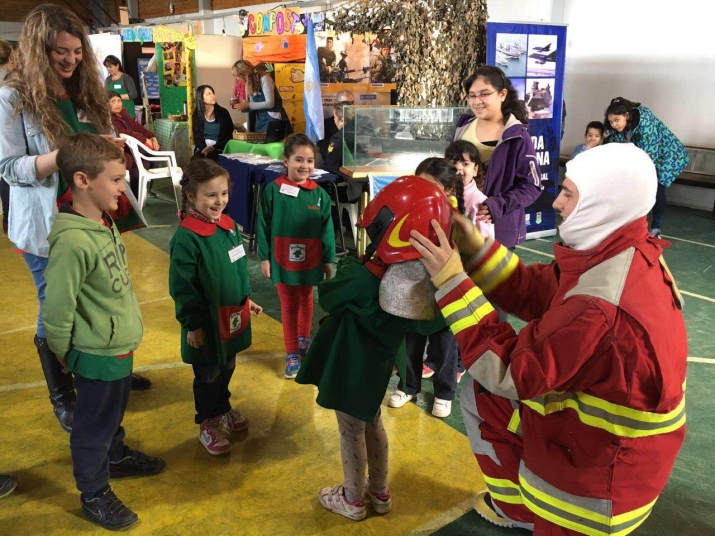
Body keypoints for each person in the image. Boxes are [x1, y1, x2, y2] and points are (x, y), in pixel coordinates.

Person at [410, 143, 687, 535]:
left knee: (490, 390)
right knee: (481, 399)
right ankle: (520, 511)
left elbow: (509, 371)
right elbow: (540, 290)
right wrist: (471, 245)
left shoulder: (599, 307)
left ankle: (537, 513)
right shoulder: (622, 250)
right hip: (607, 445)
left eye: (569, 194)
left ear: (603, 205)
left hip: (596, 486)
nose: (556, 203)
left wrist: (452, 281)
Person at [0, 5, 150, 434]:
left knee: (101, 295)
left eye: (75, 52)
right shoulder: (12, 97)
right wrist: (65, 155)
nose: (69, 60)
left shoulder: (85, 90)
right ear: (35, 50)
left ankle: (105, 369)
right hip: (46, 227)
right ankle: (62, 395)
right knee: (56, 307)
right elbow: (10, 168)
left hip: (91, 215)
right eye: (58, 53)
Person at [296, 175, 453, 521]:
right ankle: (379, 492)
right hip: (380, 369)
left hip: (348, 366)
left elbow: (330, 295)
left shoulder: (364, 276)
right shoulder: (416, 285)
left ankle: (353, 498)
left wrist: (356, 263)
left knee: (350, 430)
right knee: (373, 423)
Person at [43, 133, 166, 530]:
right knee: (92, 429)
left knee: (113, 416)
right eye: (115, 179)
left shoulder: (103, 219)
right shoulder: (73, 241)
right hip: (95, 354)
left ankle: (116, 456)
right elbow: (57, 309)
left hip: (117, 347)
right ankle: (94, 492)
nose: (122, 187)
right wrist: (63, 353)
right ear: (82, 180)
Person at [169, 159, 263, 455]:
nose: (219, 200)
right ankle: (207, 421)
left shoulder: (229, 226)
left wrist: (246, 298)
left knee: (228, 365)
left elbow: (238, 268)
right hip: (207, 322)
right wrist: (191, 323)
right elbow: (182, 286)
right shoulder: (187, 238)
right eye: (211, 195)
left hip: (231, 317)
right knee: (208, 373)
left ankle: (223, 408)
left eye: (223, 193)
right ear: (191, 197)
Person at [387, 159, 464, 418]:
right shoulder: (409, 210)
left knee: (444, 347)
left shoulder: (456, 218)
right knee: (410, 343)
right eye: (418, 184)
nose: (423, 192)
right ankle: (408, 386)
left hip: (443, 292)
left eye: (431, 187)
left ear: (449, 189)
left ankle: (444, 393)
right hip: (412, 290)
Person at [256, 134, 336, 379]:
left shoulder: (320, 195)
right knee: (289, 306)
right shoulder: (272, 191)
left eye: (310, 160)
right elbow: (262, 225)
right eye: (298, 159)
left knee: (306, 300)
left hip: (310, 259)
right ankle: (291, 352)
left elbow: (327, 228)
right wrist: (265, 257)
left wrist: (328, 259)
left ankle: (304, 339)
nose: (304, 166)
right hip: (282, 259)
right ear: (286, 161)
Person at [453, 66, 543, 251]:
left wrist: (498, 206)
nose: (477, 101)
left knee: (495, 280)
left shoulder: (517, 136)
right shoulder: (462, 129)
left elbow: (532, 186)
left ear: (502, 94)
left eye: (484, 94)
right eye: (472, 95)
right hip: (460, 228)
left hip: (499, 232)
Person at [604, 97, 689, 238]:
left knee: (657, 187)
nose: (614, 124)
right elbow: (615, 143)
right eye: (611, 121)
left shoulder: (645, 122)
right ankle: (627, 224)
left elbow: (650, 154)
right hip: (647, 155)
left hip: (669, 155)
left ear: (626, 115)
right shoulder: (618, 126)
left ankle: (656, 229)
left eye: (617, 120)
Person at [108, 90, 160, 196]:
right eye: (113, 101)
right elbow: (122, 133)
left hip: (134, 150)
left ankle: (145, 192)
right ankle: (137, 196)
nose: (117, 104)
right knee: (145, 162)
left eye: (119, 101)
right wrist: (144, 139)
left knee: (154, 155)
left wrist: (152, 137)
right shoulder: (109, 118)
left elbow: (139, 128)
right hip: (123, 151)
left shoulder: (123, 114)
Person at [445, 139, 493, 239]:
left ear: (475, 170)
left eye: (465, 164)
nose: (458, 168)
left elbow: (486, 243)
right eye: (453, 163)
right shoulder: (442, 193)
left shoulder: (480, 202)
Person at [231, 60, 291, 133]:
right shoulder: (249, 84)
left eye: (237, 76)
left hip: (273, 119)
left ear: (244, 73)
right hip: (260, 120)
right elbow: (254, 106)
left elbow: (270, 103)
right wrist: (242, 106)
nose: (237, 79)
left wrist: (248, 104)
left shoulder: (265, 79)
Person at [191, 84, 233, 161]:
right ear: (201, 98)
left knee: (212, 158)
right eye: (208, 94)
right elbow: (197, 137)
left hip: (219, 149)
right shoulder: (196, 115)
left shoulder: (223, 113)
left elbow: (229, 136)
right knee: (196, 162)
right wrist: (204, 149)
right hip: (202, 149)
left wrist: (214, 147)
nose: (213, 96)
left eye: (213, 93)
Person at [0, 39, 14, 234]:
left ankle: (8, 220)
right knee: (9, 173)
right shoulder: (9, 85)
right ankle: (9, 219)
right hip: (8, 134)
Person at [318, 89, 354, 154]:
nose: (348, 108)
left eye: (351, 103)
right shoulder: (325, 125)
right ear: (336, 105)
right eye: (344, 104)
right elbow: (324, 151)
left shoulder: (361, 121)